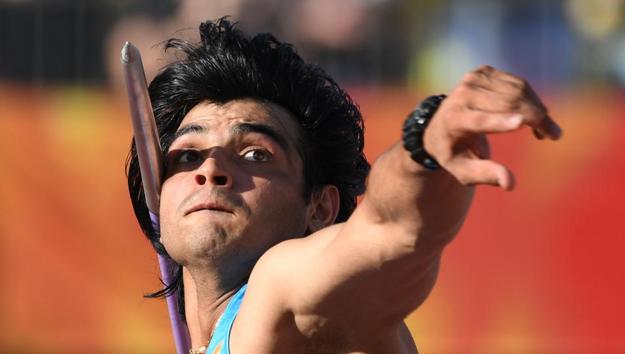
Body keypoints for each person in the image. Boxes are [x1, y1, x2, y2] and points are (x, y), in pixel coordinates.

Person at [126, 18, 562, 353]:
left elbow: (387, 231)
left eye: (257, 154)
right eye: (188, 155)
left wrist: (423, 149)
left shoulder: (277, 291)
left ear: (319, 209)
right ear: (159, 200)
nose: (212, 168)